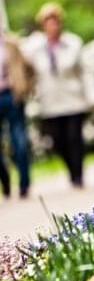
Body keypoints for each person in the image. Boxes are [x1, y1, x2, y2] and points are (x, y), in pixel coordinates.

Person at [22, 3, 91, 188]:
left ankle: (78, 175)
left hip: (74, 99)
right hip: (50, 102)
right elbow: (27, 70)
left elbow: (86, 72)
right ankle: (71, 169)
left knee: (74, 137)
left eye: (55, 22)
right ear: (43, 25)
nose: (53, 26)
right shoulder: (35, 48)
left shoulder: (73, 43)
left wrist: (93, 96)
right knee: (58, 141)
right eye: (48, 23)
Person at [0, 26, 34, 198]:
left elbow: (29, 67)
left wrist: (24, 88)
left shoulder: (11, 44)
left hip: (11, 96)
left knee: (19, 141)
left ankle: (24, 184)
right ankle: (4, 180)